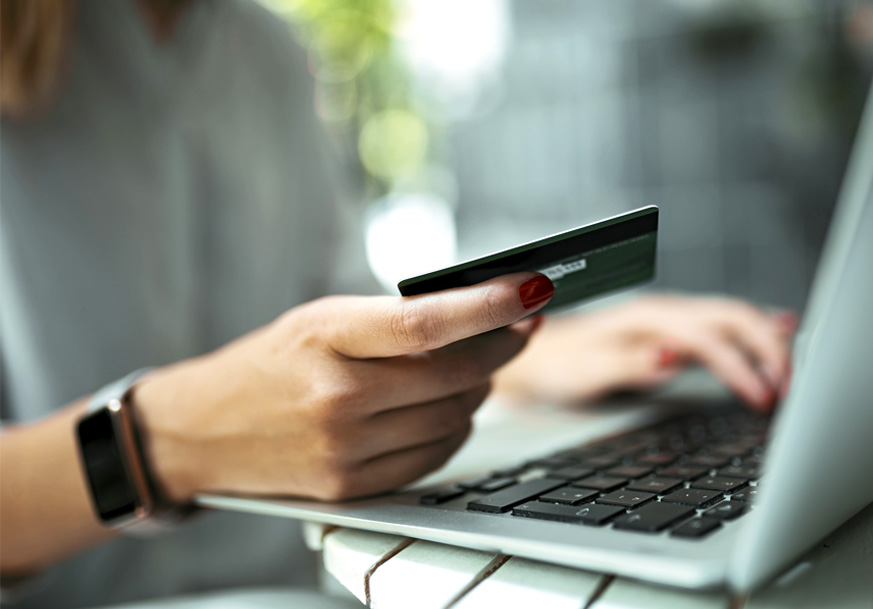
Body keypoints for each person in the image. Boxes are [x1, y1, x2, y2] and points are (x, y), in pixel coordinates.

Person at [0, 1, 794, 607]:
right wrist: (156, 443)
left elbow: (327, 346)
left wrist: (545, 348)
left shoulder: (264, 53)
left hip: (322, 587)